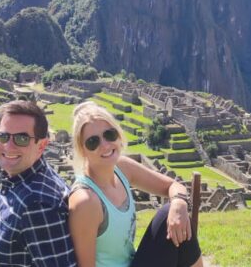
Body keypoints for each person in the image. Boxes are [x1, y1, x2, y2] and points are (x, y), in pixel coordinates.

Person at [68, 101, 204, 267]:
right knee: (168, 215)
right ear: (82, 150)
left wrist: (179, 203)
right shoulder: (86, 201)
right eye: (93, 142)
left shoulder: (122, 167)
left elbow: (172, 186)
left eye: (109, 135)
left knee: (175, 215)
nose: (104, 145)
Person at [0, 100, 77, 266]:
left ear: (42, 145)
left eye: (22, 139)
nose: (8, 146)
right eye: (3, 136)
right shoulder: (21, 178)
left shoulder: (37, 205)